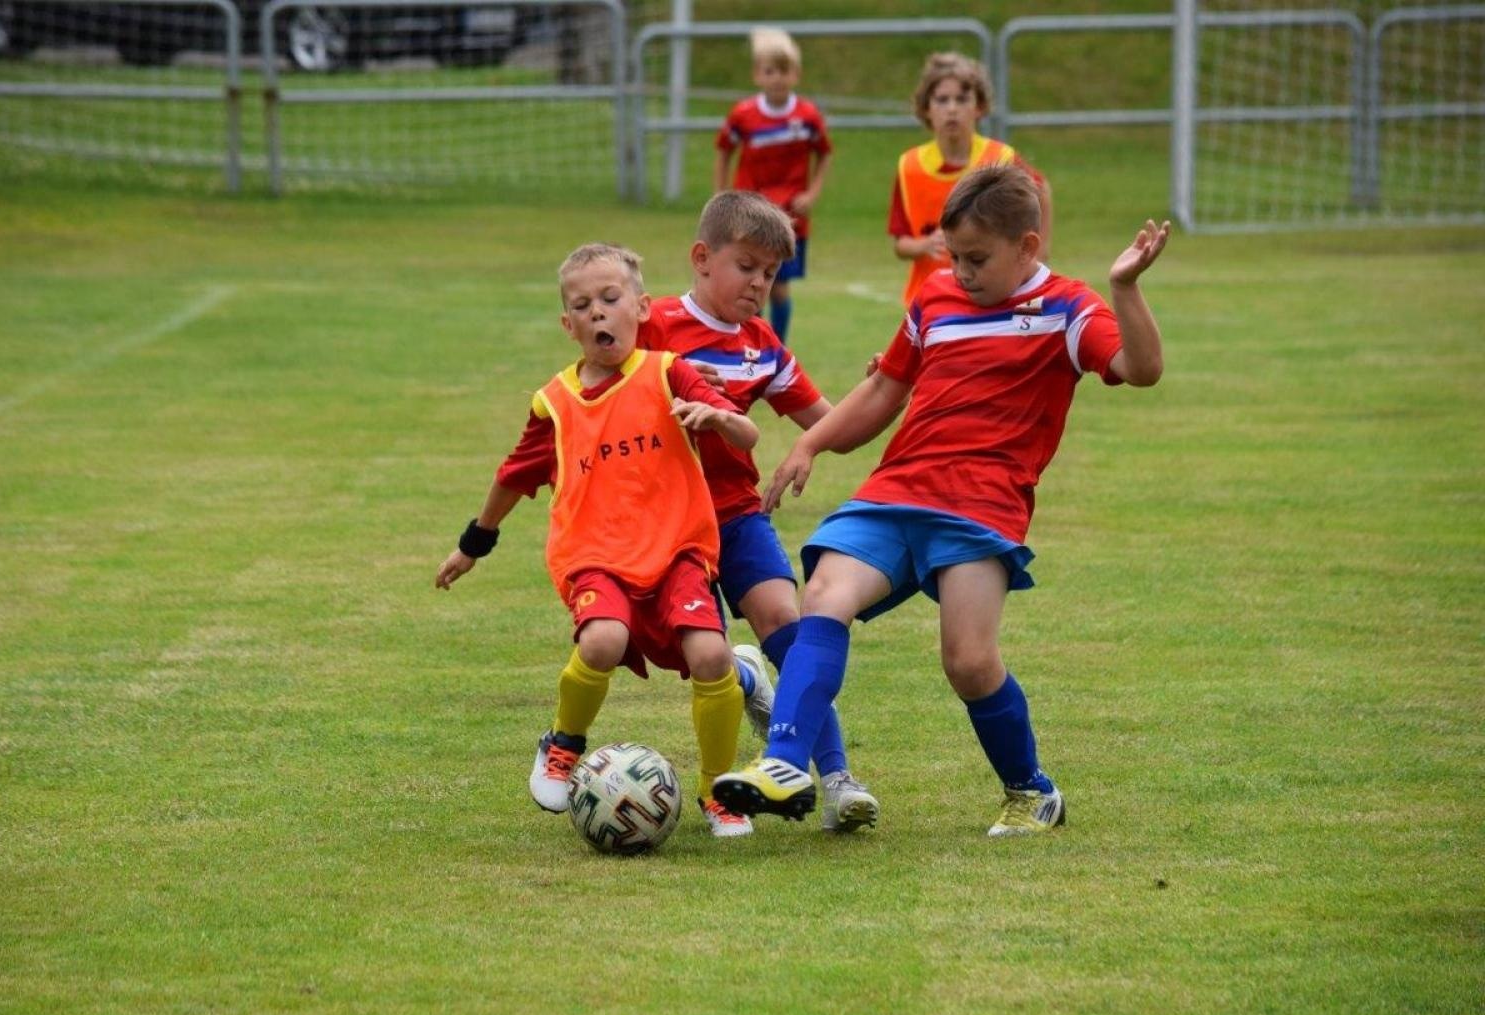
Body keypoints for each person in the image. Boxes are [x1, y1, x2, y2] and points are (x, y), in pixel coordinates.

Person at [715, 167, 1171, 836]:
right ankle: (784, 761)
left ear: (1029, 245)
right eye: (953, 256)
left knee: (968, 661)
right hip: (896, 492)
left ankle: (1030, 791)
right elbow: (883, 392)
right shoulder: (935, 298)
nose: (961, 271)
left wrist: (1124, 287)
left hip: (981, 507)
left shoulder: (1068, 309)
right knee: (825, 594)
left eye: (977, 258)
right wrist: (811, 443)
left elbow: (1142, 368)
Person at [435, 243, 763, 838]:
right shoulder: (555, 404)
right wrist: (472, 544)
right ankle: (562, 744)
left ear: (640, 308)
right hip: (595, 559)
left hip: (679, 552)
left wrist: (718, 418)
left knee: (712, 656)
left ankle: (719, 789)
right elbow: (513, 475)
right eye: (583, 306)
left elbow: (748, 433)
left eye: (611, 300)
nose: (598, 314)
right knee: (603, 640)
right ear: (568, 326)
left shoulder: (670, 373)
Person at [638, 190, 879, 833]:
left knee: (791, 628)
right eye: (746, 266)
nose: (758, 284)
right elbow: (598, 386)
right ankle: (743, 682)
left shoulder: (761, 345)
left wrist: (888, 385)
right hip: (664, 524)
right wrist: (672, 386)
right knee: (703, 657)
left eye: (770, 274)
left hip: (739, 515)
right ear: (701, 258)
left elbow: (832, 425)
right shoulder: (651, 324)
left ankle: (835, 779)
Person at [889, 51, 1052, 307]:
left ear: (979, 107)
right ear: (926, 109)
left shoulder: (1000, 158)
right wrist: (923, 246)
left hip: (992, 293)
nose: (952, 109)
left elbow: (1041, 191)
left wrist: (1038, 255)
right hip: (932, 299)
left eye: (962, 99)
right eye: (942, 100)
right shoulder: (909, 166)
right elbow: (900, 244)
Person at [714, 26, 834, 344]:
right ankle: (750, 341)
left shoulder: (807, 116)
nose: (777, 78)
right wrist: (722, 192)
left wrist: (813, 193)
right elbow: (724, 150)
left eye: (784, 71)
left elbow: (824, 154)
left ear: (795, 74)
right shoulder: (744, 115)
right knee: (749, 280)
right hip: (750, 213)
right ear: (758, 75)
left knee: (778, 286)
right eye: (770, 71)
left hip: (791, 216)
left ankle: (776, 346)